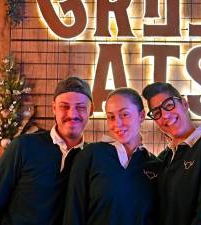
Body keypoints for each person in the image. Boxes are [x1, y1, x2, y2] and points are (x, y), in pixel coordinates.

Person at [0, 76, 94, 225]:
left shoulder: (92, 158)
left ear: (91, 110)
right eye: (64, 106)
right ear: (54, 108)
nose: (72, 114)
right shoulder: (23, 146)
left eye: (81, 107)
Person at [141, 82, 201, 225]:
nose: (165, 115)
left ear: (184, 104)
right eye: (156, 113)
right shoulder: (166, 156)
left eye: (168, 105)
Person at [63, 87, 160, 225]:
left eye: (124, 114)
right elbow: (73, 213)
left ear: (142, 115)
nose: (117, 124)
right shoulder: (90, 155)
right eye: (111, 117)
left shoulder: (155, 165)